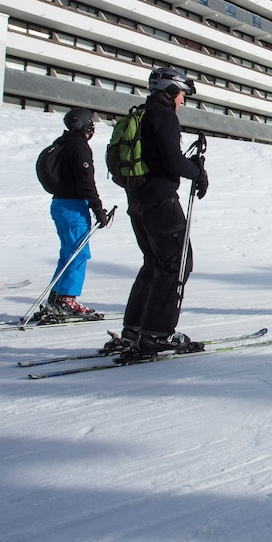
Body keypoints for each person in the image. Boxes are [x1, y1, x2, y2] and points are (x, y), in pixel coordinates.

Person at [116, 67, 209, 358]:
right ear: (170, 91)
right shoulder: (164, 116)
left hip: (138, 201)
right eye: (181, 94)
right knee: (176, 264)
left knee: (154, 264)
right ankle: (157, 334)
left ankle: (134, 330)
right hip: (160, 202)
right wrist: (198, 172)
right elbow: (172, 161)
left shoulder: (142, 114)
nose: (182, 100)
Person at [37, 108, 107, 320]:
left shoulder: (62, 143)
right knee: (79, 253)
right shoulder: (79, 147)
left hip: (59, 204)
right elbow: (86, 181)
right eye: (91, 122)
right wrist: (97, 208)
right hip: (74, 207)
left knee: (68, 253)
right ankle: (66, 299)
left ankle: (57, 297)